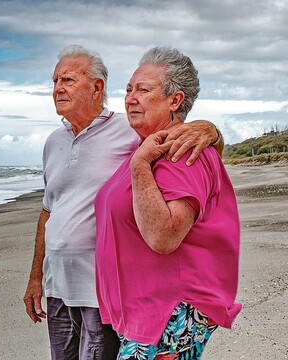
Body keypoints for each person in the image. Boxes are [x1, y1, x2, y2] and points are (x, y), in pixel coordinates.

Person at [23, 44, 224, 360]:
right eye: (54, 81)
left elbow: (185, 149)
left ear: (97, 88)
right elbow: (49, 211)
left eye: (68, 80)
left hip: (101, 290)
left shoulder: (128, 130)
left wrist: (210, 130)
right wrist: (36, 278)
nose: (57, 88)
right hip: (57, 286)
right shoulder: (53, 142)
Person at [94, 46, 241, 359]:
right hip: (144, 312)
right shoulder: (146, 145)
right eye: (128, 89)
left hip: (168, 312)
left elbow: (164, 236)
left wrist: (139, 165)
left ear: (175, 100)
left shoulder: (184, 150)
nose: (130, 98)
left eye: (143, 90)